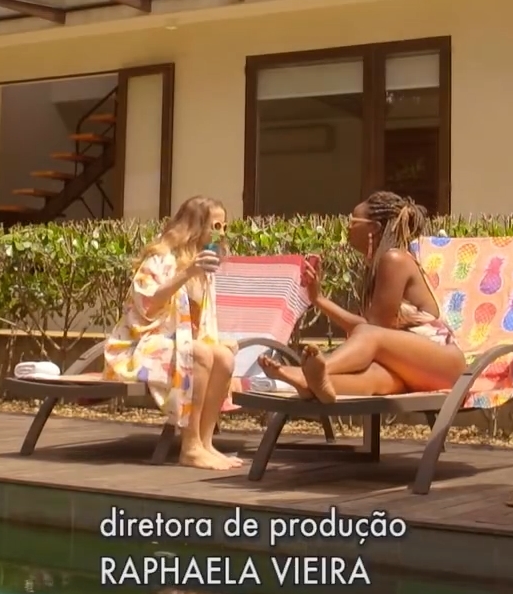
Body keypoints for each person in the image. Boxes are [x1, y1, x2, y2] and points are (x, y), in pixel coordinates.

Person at [263, 191, 467, 401]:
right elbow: (370, 331)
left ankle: (306, 371)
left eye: (353, 221)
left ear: (374, 228)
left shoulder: (394, 259)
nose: (347, 226)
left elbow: (371, 331)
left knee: (368, 334)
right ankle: (311, 384)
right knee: (375, 377)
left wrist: (321, 300)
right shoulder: (378, 265)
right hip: (416, 368)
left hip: (445, 365)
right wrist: (317, 298)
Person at [102, 196, 241, 470]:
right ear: (195, 225)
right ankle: (190, 447)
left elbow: (202, 323)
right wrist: (187, 273)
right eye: (216, 226)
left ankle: (205, 443)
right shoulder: (161, 259)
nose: (221, 233)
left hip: (181, 345)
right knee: (200, 353)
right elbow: (147, 304)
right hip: (139, 345)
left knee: (223, 357)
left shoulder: (205, 269)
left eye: (224, 227)